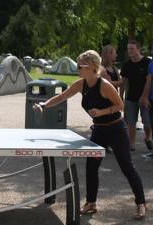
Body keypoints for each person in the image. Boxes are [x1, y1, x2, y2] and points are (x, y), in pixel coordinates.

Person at [33, 50, 146, 220]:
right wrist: (44, 104)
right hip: (99, 130)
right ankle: (91, 203)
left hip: (116, 129)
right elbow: (62, 96)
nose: (78, 68)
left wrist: (101, 111)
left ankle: (141, 203)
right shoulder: (81, 84)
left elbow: (120, 105)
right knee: (91, 167)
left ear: (92, 67)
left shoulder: (105, 85)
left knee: (126, 166)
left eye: (81, 66)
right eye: (78, 65)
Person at [120, 40, 152, 152]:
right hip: (131, 98)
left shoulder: (147, 62)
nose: (130, 51)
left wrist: (145, 97)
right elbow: (123, 83)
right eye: (128, 49)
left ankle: (148, 138)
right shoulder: (127, 65)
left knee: (147, 122)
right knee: (131, 123)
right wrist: (121, 97)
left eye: (132, 49)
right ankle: (132, 144)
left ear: (139, 49)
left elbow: (149, 81)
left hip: (145, 98)